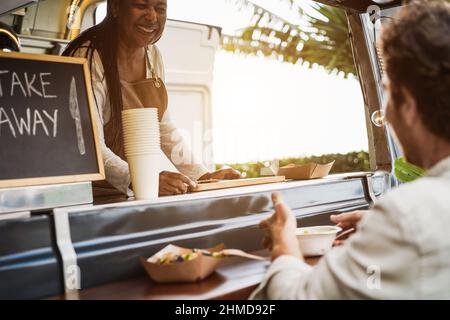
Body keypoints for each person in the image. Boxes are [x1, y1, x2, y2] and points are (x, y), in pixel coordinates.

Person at [251, 1, 450, 299]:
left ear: (407, 104)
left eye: (387, 92)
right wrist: (379, 230)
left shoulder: (407, 214)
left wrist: (284, 243)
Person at [63, 0, 240, 197]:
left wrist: (202, 176)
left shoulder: (153, 55)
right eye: (141, 5)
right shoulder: (88, 54)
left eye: (160, 9)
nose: (152, 16)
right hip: (84, 195)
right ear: (115, 7)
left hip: (127, 192)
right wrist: (140, 180)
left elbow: (163, 127)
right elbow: (89, 144)